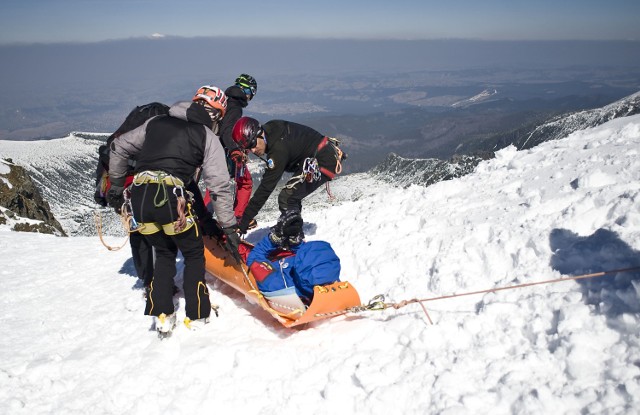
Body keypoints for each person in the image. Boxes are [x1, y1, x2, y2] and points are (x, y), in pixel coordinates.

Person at [106, 86, 241, 336]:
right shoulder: (206, 136)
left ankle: (163, 314)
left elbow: (119, 146)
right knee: (192, 253)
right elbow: (219, 186)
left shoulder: (155, 122)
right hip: (171, 198)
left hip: (141, 198)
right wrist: (229, 227)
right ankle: (197, 314)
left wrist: (115, 185)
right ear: (216, 114)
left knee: (164, 251)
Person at [232, 117, 346, 247]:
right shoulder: (271, 129)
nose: (253, 151)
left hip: (324, 162)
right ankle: (291, 226)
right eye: (248, 148)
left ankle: (294, 237)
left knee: (287, 198)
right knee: (292, 196)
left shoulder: (278, 150)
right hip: (321, 155)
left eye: (252, 145)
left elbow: (265, 190)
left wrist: (243, 223)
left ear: (259, 134)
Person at [94, 102, 170, 290]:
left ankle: (148, 277)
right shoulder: (147, 136)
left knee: (139, 231)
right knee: (150, 231)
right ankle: (152, 281)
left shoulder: (127, 137)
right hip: (131, 185)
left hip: (121, 188)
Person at [245, 233, 341, 314]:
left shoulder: (278, 284)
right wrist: (295, 243)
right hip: (287, 259)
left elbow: (254, 259)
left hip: (274, 273)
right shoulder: (329, 274)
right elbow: (307, 253)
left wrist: (272, 240)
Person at [216, 74, 258, 228]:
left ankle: (203, 218)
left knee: (215, 185)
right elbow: (226, 131)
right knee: (245, 182)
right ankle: (238, 217)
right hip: (225, 152)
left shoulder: (226, 101)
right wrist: (235, 149)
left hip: (215, 150)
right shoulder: (235, 108)